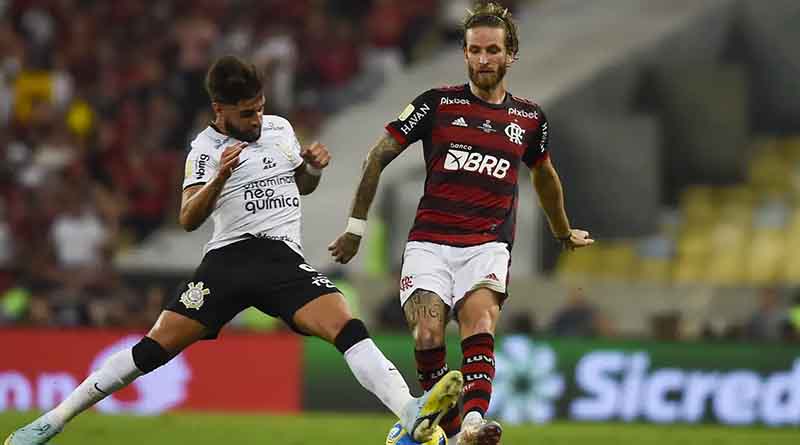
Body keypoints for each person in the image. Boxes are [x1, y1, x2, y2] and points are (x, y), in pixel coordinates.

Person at [5, 55, 463, 445]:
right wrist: (220, 177)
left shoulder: (280, 130)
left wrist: (312, 168)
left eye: (260, 108)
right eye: (246, 114)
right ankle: (53, 420)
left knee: (347, 324)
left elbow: (300, 186)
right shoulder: (204, 150)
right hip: (227, 261)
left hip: (282, 258)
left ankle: (410, 413)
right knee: (152, 350)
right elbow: (187, 218)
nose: (257, 119)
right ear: (219, 110)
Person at [328, 4, 593, 444]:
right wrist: (356, 227)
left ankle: (471, 422)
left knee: (480, 321)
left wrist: (562, 230)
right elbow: (376, 156)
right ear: (464, 54)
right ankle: (452, 434)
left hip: (487, 244)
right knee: (428, 332)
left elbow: (544, 176)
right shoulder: (436, 104)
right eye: (475, 50)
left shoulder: (528, 119)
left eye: (493, 50)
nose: (484, 59)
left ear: (511, 55)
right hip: (430, 243)